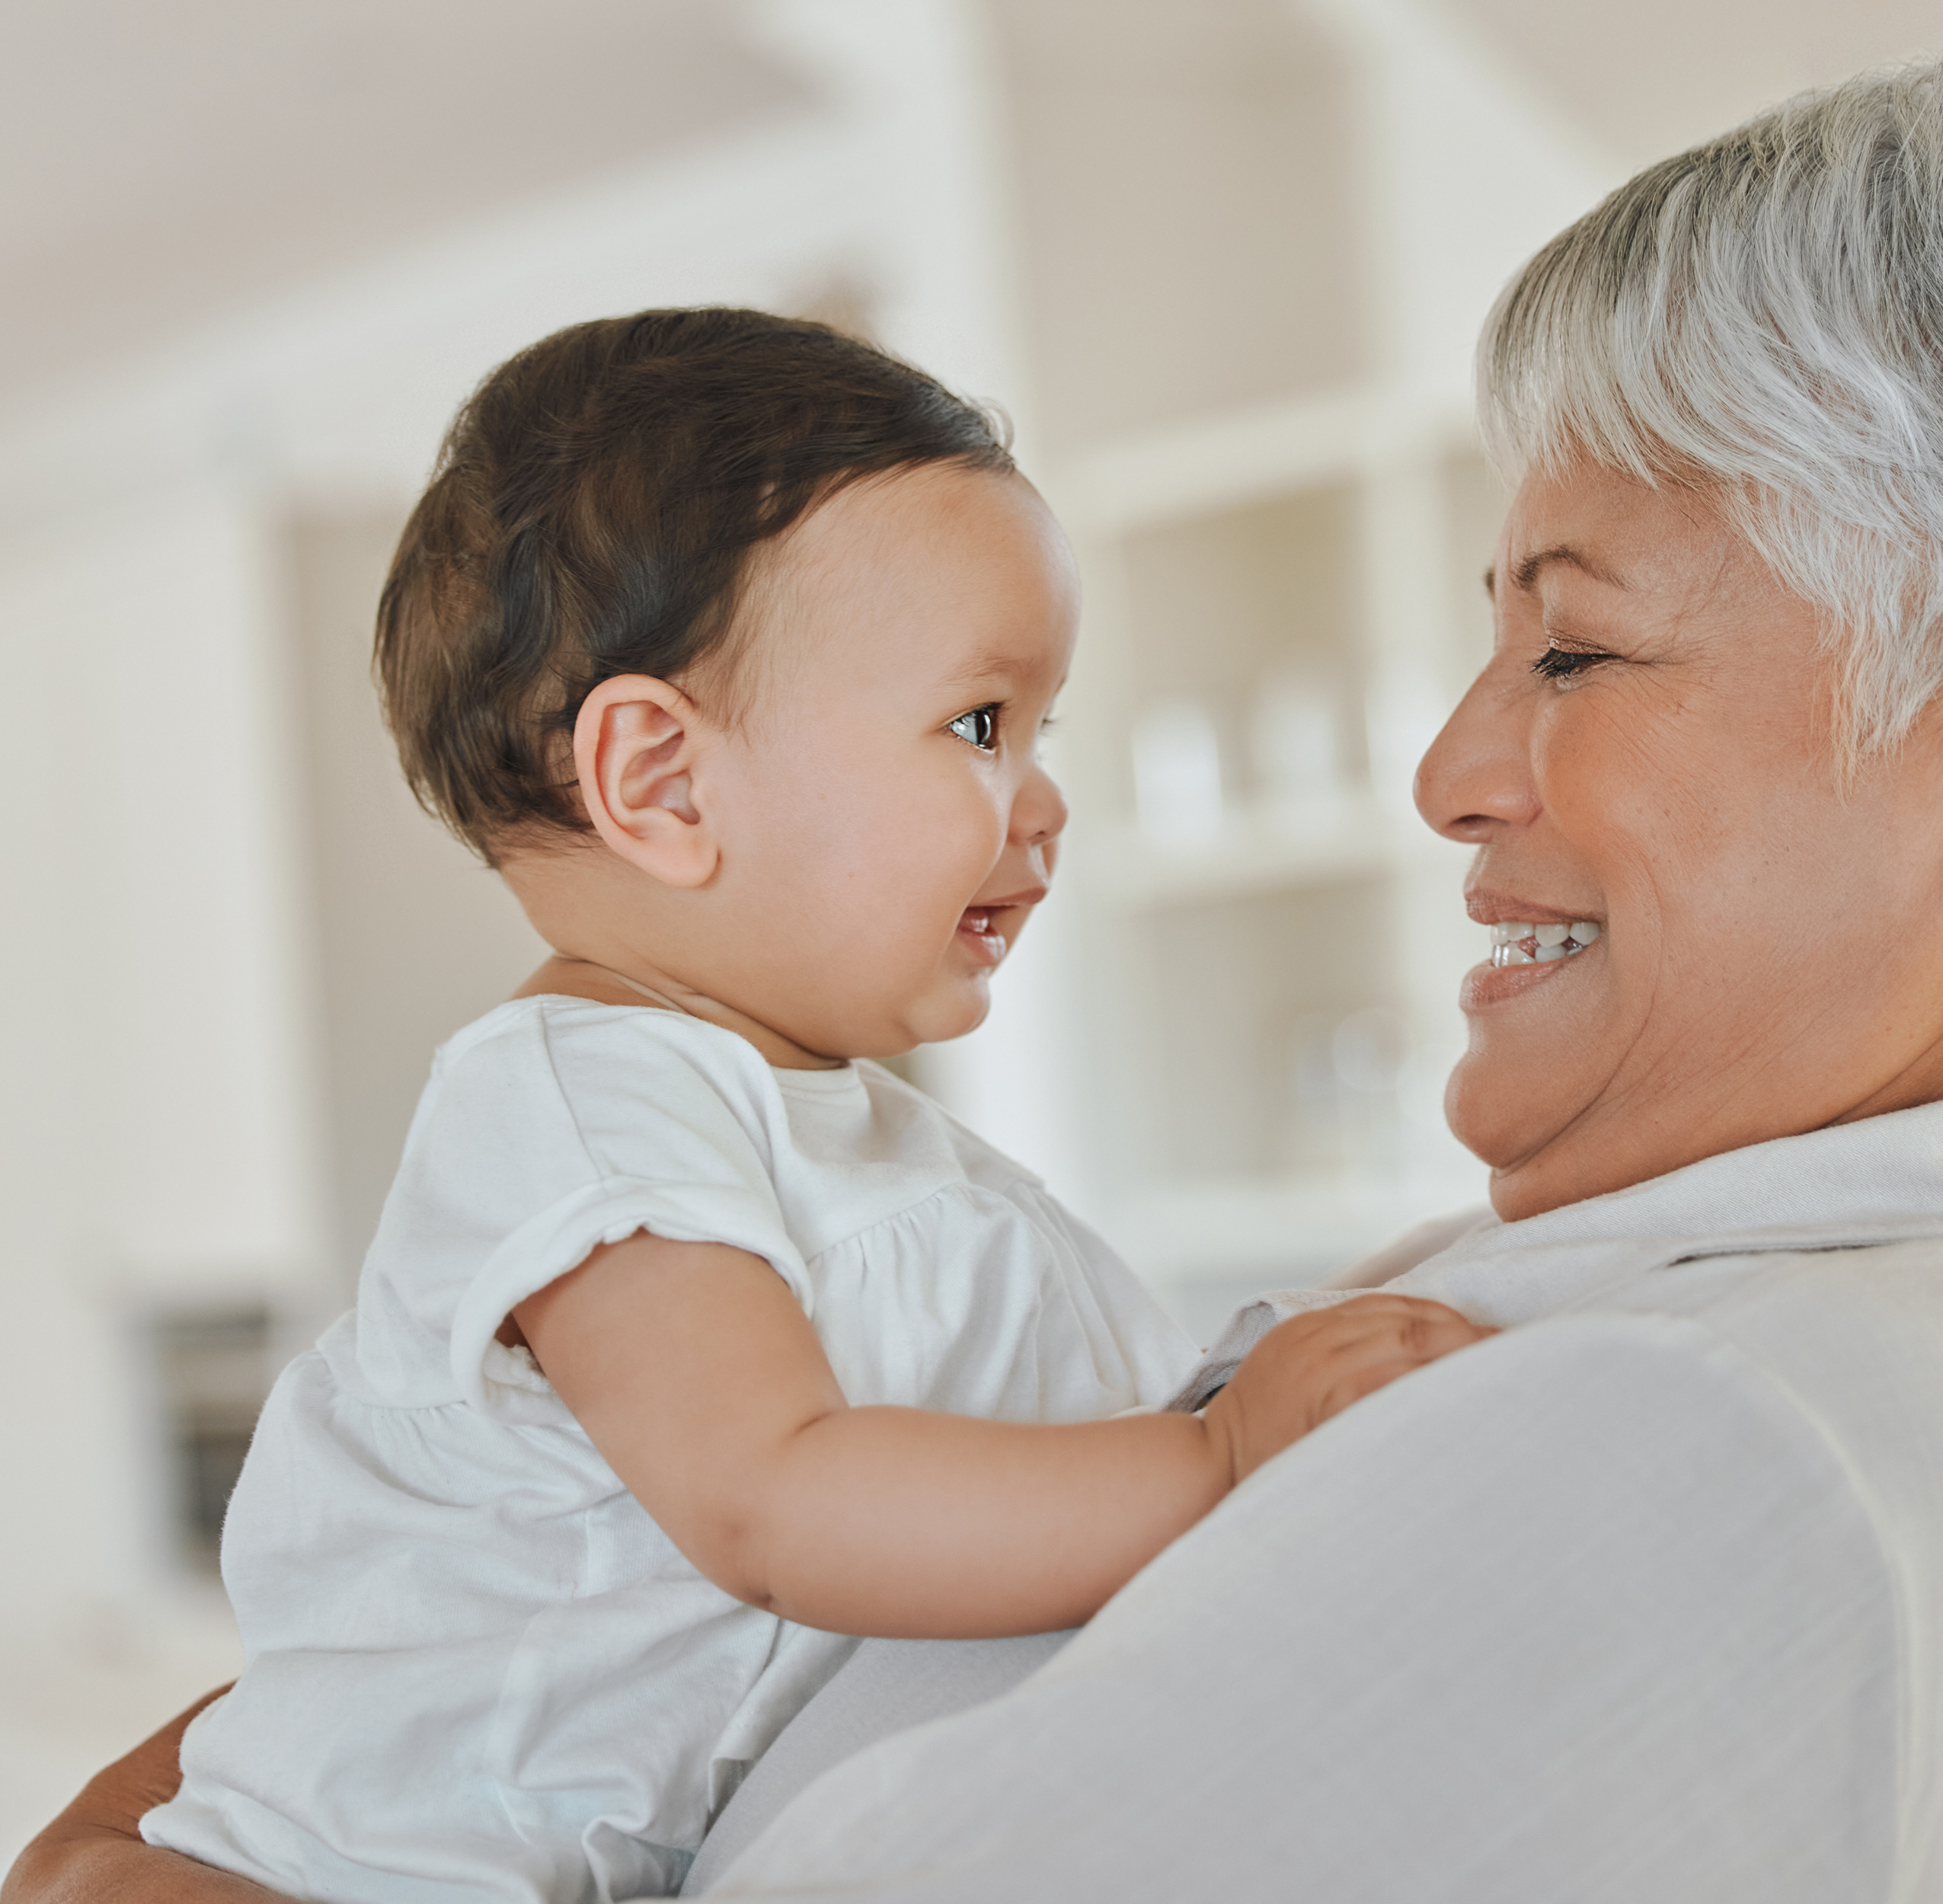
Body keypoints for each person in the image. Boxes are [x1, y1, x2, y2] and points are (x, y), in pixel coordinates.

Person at [8, 20, 1943, 1902]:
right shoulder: (1918, 1347)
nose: (1444, 773)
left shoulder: (1706, 1454)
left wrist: (93, 1866)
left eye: (1574, 656)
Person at [129, 310, 1489, 1904]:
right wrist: (1215, 1454)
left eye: (1042, 726)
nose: (1042, 797)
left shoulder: (818, 1122)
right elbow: (774, 1495)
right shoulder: (587, 1105)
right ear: (663, 782)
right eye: (981, 723)